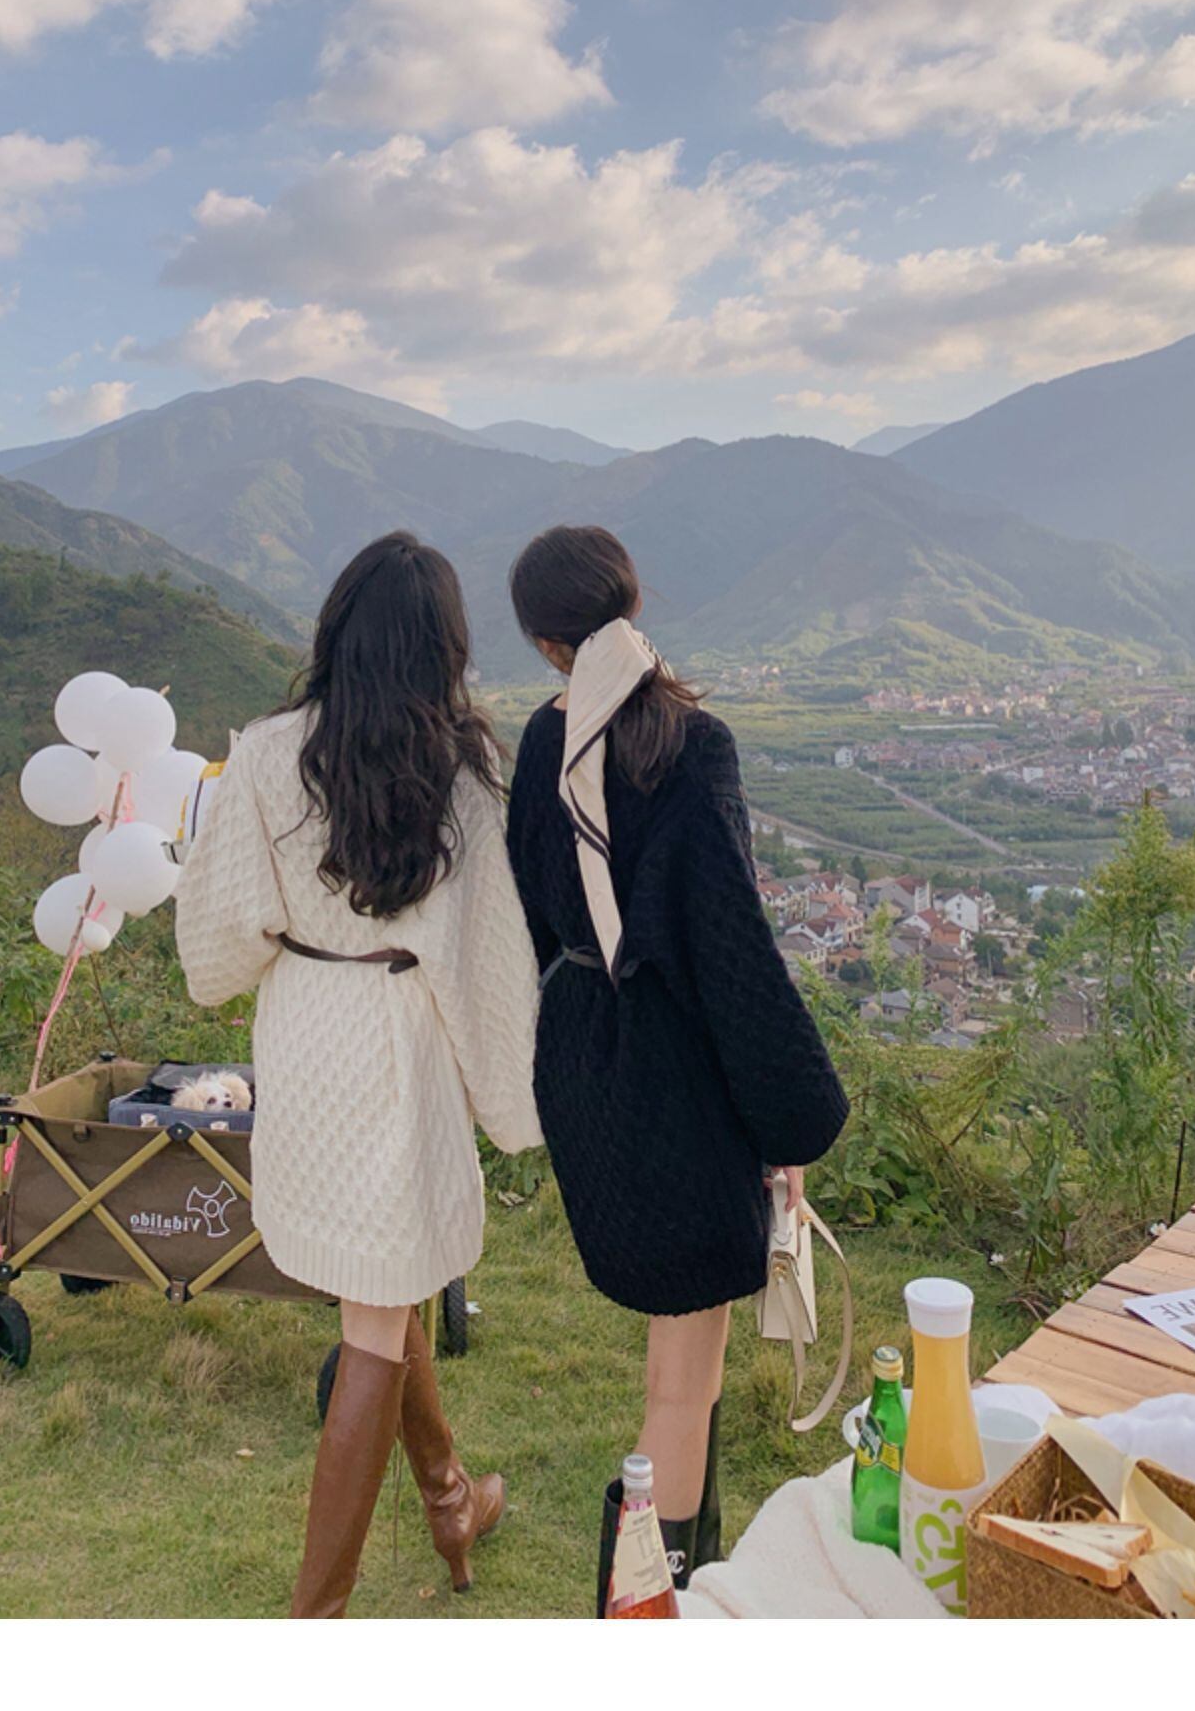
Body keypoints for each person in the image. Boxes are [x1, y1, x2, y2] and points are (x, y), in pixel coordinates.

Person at [176, 531, 542, 1618]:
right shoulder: (463, 773)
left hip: (304, 1028)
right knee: (376, 1309)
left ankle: (450, 1498)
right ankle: (316, 1619)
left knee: (382, 1275)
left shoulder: (267, 754)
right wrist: (514, 1089)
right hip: (400, 1035)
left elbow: (221, 937)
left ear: (338, 628)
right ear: (443, 646)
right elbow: (490, 952)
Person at [504, 524, 849, 1611]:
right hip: (676, 1075)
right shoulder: (692, 745)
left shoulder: (542, 743)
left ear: (544, 642)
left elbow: (526, 911)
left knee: (679, 1355)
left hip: (584, 1061)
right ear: (631, 600)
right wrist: (790, 1121)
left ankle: (677, 1583)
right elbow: (731, 950)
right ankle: (652, 1608)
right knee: (682, 1378)